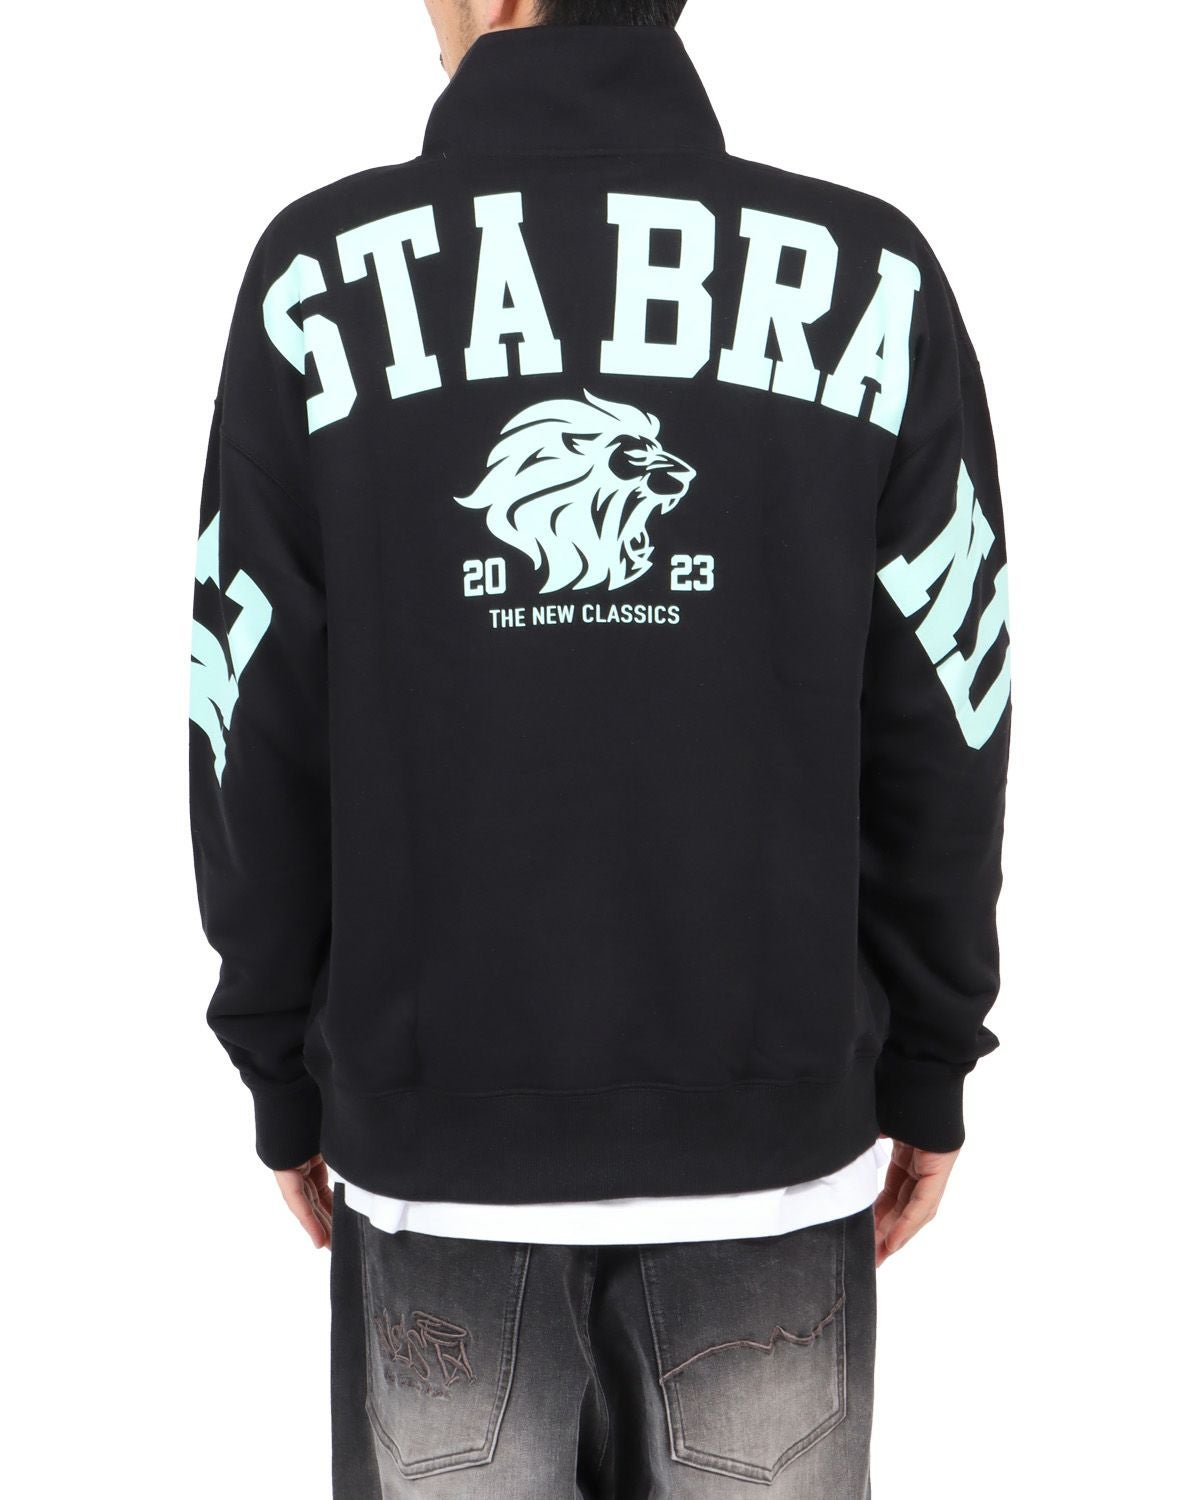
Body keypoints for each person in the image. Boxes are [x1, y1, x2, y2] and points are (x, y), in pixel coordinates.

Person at [187, 1, 1012, 1494]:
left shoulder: (319, 279)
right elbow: (944, 712)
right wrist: (931, 1056)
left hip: (439, 1174)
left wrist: (281, 1067)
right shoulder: (867, 275)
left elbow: (254, 713)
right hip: (770, 1169)